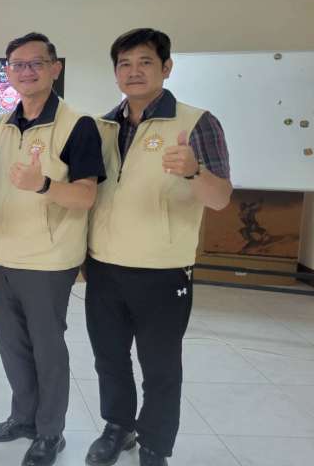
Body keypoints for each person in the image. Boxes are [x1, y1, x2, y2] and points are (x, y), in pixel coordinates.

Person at [85, 28, 232, 466]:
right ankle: (119, 428)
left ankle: (155, 445)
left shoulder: (197, 122)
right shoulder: (102, 126)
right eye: (125, 64)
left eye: (145, 62)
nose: (134, 72)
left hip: (164, 271)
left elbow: (221, 198)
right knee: (109, 359)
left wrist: (193, 171)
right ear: (115, 72)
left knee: (161, 367)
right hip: (104, 267)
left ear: (166, 68)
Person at [0, 32, 106, 466]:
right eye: (18, 64)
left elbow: (86, 195)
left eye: (36, 63)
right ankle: (24, 418)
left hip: (47, 260)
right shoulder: (3, 123)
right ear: (8, 71)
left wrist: (44, 185)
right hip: (1, 255)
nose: (26, 71)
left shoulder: (77, 125)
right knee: (11, 345)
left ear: (55, 68)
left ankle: (50, 432)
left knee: (47, 349)